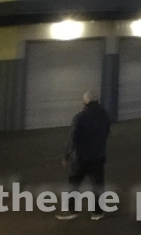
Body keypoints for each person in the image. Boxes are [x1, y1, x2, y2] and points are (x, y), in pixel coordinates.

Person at [57, 90, 111, 221]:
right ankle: (97, 212)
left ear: (86, 101)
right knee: (97, 184)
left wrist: (66, 155)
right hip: (98, 156)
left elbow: (72, 138)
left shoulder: (80, 117)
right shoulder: (105, 115)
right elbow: (107, 132)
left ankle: (72, 210)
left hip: (81, 157)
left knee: (74, 183)